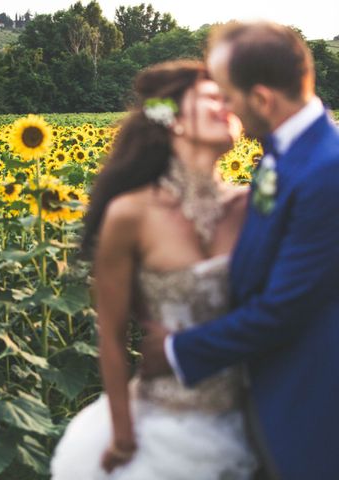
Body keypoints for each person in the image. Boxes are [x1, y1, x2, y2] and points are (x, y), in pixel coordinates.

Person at [139, 22, 339, 480]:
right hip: (256, 385)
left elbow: (284, 309)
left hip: (305, 398)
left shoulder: (328, 171)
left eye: (227, 95)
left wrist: (175, 350)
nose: (223, 107)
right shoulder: (281, 152)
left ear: (263, 100)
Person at [49, 59, 258, 479]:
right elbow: (111, 334)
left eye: (228, 99)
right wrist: (123, 434)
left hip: (256, 418)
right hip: (166, 429)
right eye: (212, 98)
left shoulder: (255, 205)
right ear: (175, 121)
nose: (227, 106)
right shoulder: (132, 214)